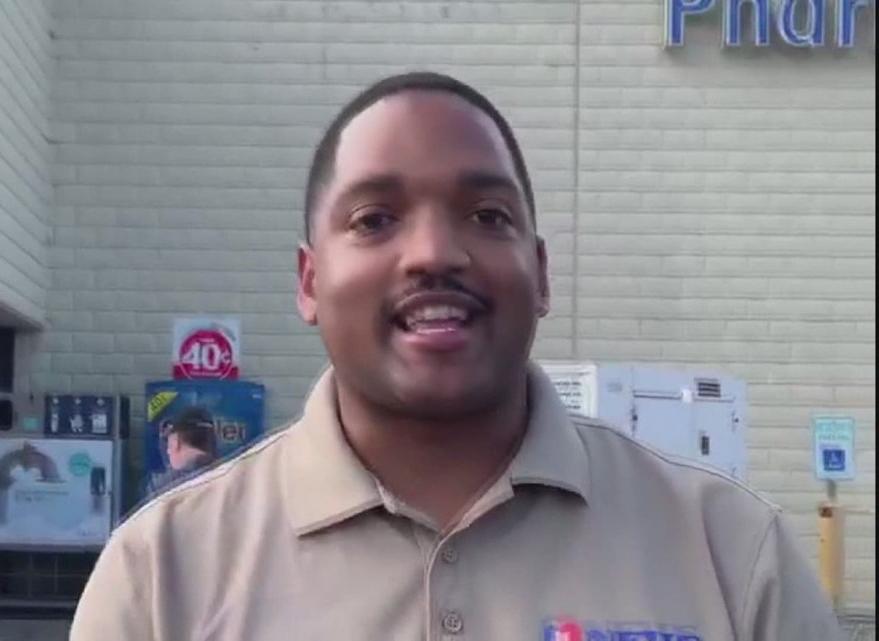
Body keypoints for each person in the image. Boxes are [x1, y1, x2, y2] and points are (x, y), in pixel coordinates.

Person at [71, 72, 844, 641]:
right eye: (375, 219)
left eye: (485, 214)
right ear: (310, 281)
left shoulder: (732, 553)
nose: (435, 253)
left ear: (540, 273)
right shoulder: (161, 574)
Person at [143, 406, 219, 497]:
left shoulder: (159, 487)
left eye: (169, 445)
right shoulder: (232, 479)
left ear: (175, 442)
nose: (168, 452)